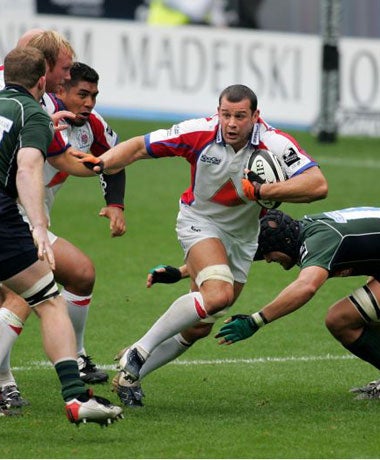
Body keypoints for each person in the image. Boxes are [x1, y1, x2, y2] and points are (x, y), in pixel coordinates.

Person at [72, 83, 328, 407]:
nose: (232, 123)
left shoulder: (274, 142)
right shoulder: (198, 132)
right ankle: (139, 350)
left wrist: (265, 192)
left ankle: (129, 376)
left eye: (240, 116)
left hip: (244, 237)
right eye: (226, 115)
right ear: (217, 112)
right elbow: (138, 146)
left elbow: (317, 185)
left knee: (200, 327)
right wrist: (100, 164)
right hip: (199, 221)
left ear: (256, 116)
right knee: (217, 294)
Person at [0, 31, 123, 410]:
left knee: (73, 276)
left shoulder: (43, 113)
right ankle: (68, 394)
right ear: (45, 72)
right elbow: (29, 168)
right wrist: (38, 226)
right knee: (34, 296)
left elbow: (67, 158)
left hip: (15, 217)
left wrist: (115, 164)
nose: (70, 77)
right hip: (11, 219)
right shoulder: (34, 112)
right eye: (66, 69)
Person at [215, 206, 380, 400]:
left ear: (284, 243)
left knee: (341, 319)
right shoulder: (302, 231)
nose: (268, 260)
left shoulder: (318, 242)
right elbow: (231, 258)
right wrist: (182, 272)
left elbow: (306, 286)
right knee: (370, 315)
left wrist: (256, 321)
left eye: (268, 253)